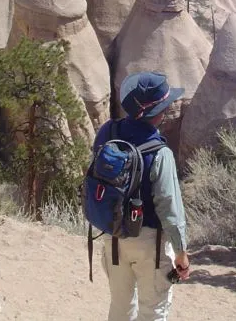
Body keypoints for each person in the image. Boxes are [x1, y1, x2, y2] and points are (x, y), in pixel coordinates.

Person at [94, 71, 191, 321]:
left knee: (120, 307)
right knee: (153, 311)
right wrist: (180, 252)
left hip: (112, 235)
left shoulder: (107, 132)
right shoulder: (160, 152)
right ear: (159, 112)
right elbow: (170, 208)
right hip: (149, 243)